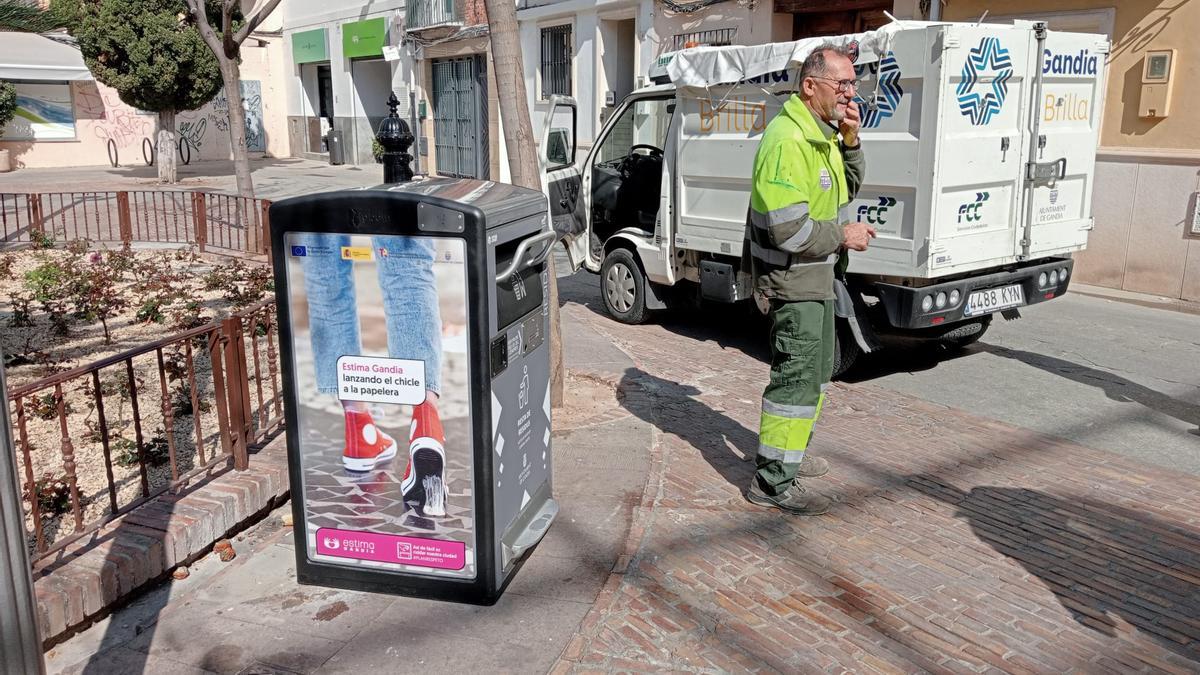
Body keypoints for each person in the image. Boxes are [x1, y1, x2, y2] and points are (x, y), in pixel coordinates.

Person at [744, 44, 876, 515]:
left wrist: (852, 140)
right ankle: (772, 482)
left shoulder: (820, 135)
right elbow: (787, 229)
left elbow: (848, 186)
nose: (849, 93)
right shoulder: (788, 140)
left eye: (853, 84)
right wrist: (843, 235)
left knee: (815, 376)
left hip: (818, 280)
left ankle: (790, 458)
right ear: (809, 86)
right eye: (842, 84)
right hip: (793, 281)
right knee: (795, 380)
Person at [300, 233, 448, 518]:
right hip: (391, 187)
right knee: (407, 266)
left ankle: (359, 432)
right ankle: (426, 425)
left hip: (327, 194)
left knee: (324, 273)